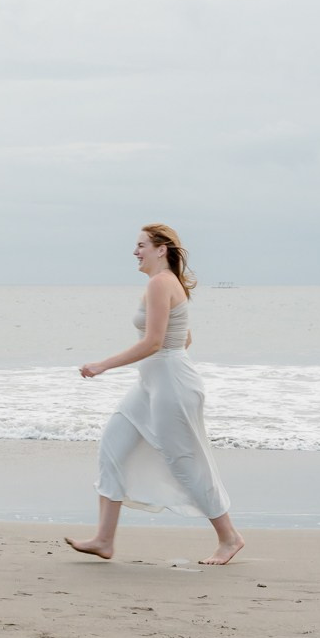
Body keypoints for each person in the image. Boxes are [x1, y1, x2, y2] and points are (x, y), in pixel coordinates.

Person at [67, 223, 245, 566]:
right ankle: (104, 539)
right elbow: (183, 338)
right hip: (153, 383)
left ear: (161, 249)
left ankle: (229, 537)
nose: (135, 252)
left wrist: (103, 365)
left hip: (171, 385)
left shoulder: (161, 283)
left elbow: (154, 342)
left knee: (185, 461)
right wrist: (163, 361)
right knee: (112, 445)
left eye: (141, 245)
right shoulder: (161, 285)